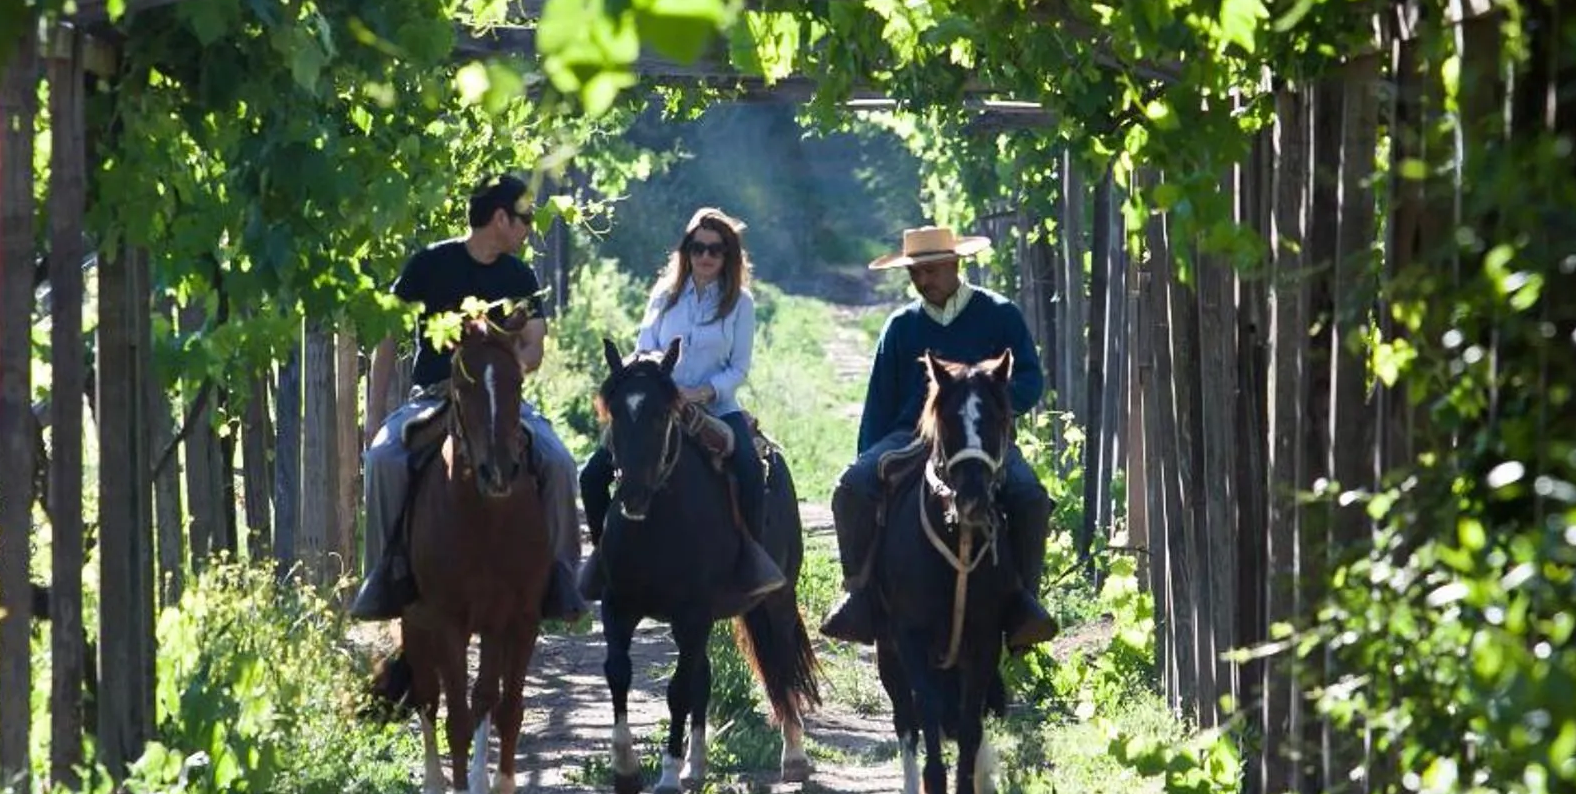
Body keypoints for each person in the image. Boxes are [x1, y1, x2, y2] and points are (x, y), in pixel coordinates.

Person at [349, 175, 582, 621]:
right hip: (434, 397)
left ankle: (561, 577)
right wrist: (374, 415)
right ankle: (384, 574)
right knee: (383, 459)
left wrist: (507, 361)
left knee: (559, 462)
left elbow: (534, 346)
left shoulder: (520, 276)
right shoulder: (430, 265)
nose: (529, 228)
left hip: (500, 401)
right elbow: (386, 337)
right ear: (500, 218)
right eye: (525, 219)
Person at [822, 223, 1058, 653]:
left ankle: (1024, 604)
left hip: (982, 440)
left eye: (929, 269)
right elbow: (879, 401)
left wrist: (984, 407)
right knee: (851, 488)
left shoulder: (999, 313)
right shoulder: (900, 326)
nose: (921, 279)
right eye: (915, 272)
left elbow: (1029, 380)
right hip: (907, 435)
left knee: (1029, 496)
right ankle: (860, 595)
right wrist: (868, 460)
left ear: (954, 264)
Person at [579, 208, 787, 612]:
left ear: (729, 255)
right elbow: (644, 345)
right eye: (698, 247)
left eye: (716, 249)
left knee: (747, 466)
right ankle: (605, 558)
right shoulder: (663, 295)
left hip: (717, 406)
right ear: (686, 251)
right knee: (592, 474)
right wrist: (655, 381)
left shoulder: (739, 304)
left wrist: (702, 392)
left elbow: (739, 367)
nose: (706, 256)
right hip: (658, 403)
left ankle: (749, 560)